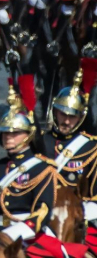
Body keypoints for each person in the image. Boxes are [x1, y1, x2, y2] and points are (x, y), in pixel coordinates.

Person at [0, 75, 57, 256]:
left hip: (31, 236)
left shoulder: (43, 168)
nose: (9, 137)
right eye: (6, 133)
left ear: (28, 135)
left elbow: (42, 212)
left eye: (15, 133)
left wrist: (12, 233)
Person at [42, 59, 97, 233]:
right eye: (62, 114)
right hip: (42, 215)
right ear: (54, 111)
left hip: (76, 217)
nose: (66, 121)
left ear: (81, 117)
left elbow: (94, 196)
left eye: (72, 116)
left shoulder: (90, 147)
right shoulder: (41, 142)